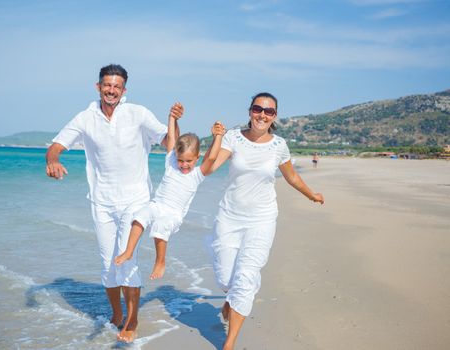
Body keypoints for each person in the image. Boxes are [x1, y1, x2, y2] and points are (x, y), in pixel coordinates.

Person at [45, 64, 180, 343]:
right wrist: (53, 160)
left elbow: (169, 143)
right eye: (107, 85)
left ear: (124, 90)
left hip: (136, 199)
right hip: (101, 201)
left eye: (117, 86)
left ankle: (132, 320)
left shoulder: (138, 113)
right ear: (98, 87)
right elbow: (57, 145)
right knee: (108, 264)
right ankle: (117, 314)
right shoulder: (85, 118)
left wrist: (173, 120)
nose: (111, 90)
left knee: (126, 258)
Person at [205, 92, 324, 350]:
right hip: (229, 216)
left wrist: (311, 194)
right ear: (250, 111)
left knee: (246, 277)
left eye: (268, 111)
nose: (262, 114)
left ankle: (229, 343)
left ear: (274, 117)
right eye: (258, 109)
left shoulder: (279, 145)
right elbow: (210, 167)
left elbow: (291, 177)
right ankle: (230, 299)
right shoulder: (233, 138)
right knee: (226, 278)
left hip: (262, 219)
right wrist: (216, 138)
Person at [115, 108, 226, 283]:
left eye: (188, 161)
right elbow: (172, 138)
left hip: (173, 214)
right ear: (175, 155)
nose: (183, 164)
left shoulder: (197, 174)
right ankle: (129, 251)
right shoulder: (171, 163)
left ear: (197, 158)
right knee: (139, 216)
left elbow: (211, 158)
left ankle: (160, 261)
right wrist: (172, 118)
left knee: (160, 226)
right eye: (180, 160)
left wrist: (218, 136)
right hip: (157, 205)